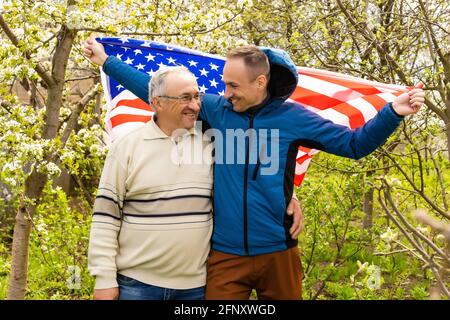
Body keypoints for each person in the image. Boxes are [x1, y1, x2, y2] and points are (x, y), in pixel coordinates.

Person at [84, 37, 425, 300]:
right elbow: (156, 93)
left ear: (260, 83)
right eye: (223, 84)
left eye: (232, 85)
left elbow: (355, 145)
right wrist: (108, 62)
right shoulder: (216, 111)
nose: (223, 92)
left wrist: (391, 113)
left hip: (278, 254)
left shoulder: (294, 119)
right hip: (224, 257)